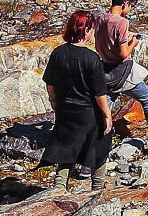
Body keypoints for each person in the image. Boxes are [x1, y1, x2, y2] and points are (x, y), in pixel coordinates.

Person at [41, 12, 117, 185]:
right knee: (99, 148)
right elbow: (99, 93)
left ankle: (59, 188)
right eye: (92, 29)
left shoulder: (58, 53)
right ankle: (97, 188)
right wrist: (107, 115)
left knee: (66, 150)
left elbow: (50, 84)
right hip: (89, 114)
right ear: (87, 29)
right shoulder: (92, 58)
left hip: (66, 112)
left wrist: (54, 102)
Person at [86, 0, 148, 149]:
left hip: (105, 71)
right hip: (123, 72)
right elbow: (122, 53)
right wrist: (133, 42)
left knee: (104, 110)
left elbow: (105, 40)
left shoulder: (100, 18)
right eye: (131, 6)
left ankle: (90, 147)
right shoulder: (122, 22)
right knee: (147, 99)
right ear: (125, 4)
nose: (130, 9)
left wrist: (124, 38)